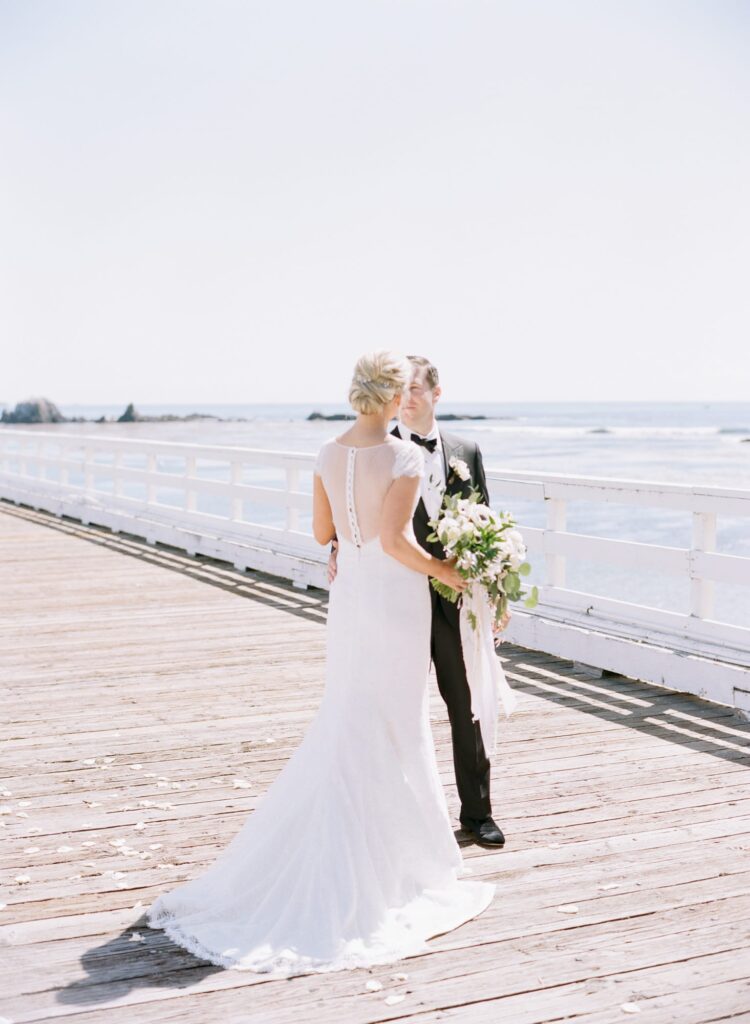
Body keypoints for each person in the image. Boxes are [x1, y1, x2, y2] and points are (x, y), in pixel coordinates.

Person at [146, 350, 496, 976]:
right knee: (395, 720)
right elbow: (398, 542)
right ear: (392, 398)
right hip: (394, 598)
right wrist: (446, 570)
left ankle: (351, 843)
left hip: (351, 598)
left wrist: (351, 543)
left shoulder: (327, 454)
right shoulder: (406, 456)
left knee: (351, 714)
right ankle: (395, 861)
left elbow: (320, 533)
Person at [328, 355, 510, 847]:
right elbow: (358, 513)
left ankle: (478, 814)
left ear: (436, 394)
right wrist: (337, 545)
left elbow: (486, 526)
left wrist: (494, 593)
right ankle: (392, 818)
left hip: (454, 599)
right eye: (398, 389)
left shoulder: (466, 450)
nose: (404, 399)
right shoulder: (382, 449)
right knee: (393, 704)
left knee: (465, 701)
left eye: (414, 389)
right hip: (397, 595)